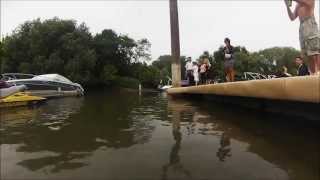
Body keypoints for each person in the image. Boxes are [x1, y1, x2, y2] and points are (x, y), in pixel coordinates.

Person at [284, 0, 320, 75]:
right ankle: (313, 73)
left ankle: (319, 71)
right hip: (302, 26)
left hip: (310, 23)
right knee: (306, 53)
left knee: (315, 51)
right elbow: (292, 17)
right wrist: (287, 6)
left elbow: (305, 3)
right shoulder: (298, 5)